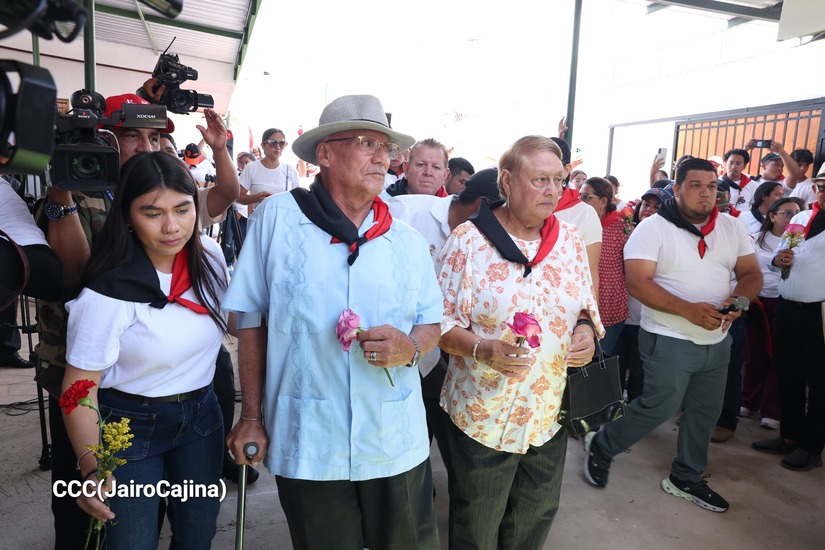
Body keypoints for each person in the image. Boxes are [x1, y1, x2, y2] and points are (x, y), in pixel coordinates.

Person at [223, 94, 442, 549]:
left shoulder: (406, 240)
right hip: (310, 438)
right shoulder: (277, 219)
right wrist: (250, 416)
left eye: (386, 147)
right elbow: (250, 321)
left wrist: (411, 348)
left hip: (392, 438)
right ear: (325, 153)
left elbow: (431, 324)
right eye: (367, 143)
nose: (382, 157)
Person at [36, 92, 239, 549]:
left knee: (198, 533)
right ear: (127, 216)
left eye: (183, 209)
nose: (171, 227)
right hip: (128, 428)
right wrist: (91, 467)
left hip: (200, 419)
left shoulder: (208, 255)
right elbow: (78, 389)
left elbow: (235, 322)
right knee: (131, 540)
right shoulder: (106, 291)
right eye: (152, 213)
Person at [436, 136, 601, 549]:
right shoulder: (468, 242)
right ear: (507, 182)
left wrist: (585, 331)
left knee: (533, 520)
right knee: (476, 525)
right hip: (483, 414)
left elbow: (584, 305)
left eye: (558, 180)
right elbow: (437, 323)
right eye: (540, 179)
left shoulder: (569, 241)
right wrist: (481, 348)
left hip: (547, 413)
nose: (552, 190)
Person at [583, 158, 762, 513]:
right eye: (696, 185)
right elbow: (638, 283)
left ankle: (685, 475)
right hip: (668, 336)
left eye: (712, 186)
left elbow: (750, 273)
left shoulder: (731, 226)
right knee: (660, 405)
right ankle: (603, 443)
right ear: (677, 189)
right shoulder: (654, 229)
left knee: (705, 411)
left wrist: (739, 301)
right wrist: (687, 310)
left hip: (717, 338)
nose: (706, 193)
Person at [385, 168, 502, 475]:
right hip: (396, 347)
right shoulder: (404, 211)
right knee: (408, 430)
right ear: (482, 205)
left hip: (446, 349)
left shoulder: (485, 239)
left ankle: (449, 484)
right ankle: (418, 487)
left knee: (450, 432)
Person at [752, 167, 825, 471]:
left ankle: (812, 446)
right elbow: (780, 256)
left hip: (819, 312)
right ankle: (790, 435)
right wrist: (776, 259)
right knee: (787, 373)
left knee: (819, 381)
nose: (823, 190)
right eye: (821, 185)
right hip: (787, 305)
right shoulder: (801, 217)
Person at [741, 197, 804, 430]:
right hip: (758, 301)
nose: (792, 217)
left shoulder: (803, 241)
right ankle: (749, 401)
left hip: (785, 301)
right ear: (772, 215)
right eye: (787, 212)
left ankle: (772, 410)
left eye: (797, 213)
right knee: (755, 354)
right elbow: (747, 269)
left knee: (780, 357)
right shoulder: (755, 238)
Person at [614, 187, 672, 401]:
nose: (649, 210)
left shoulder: (669, 238)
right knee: (617, 364)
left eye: (657, 207)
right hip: (620, 314)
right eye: (646, 204)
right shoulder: (624, 231)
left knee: (640, 369)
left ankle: (635, 408)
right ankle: (615, 408)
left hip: (648, 318)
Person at [579, 176, 630, 353]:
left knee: (600, 359)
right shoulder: (577, 225)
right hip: (581, 304)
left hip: (610, 307)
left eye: (586, 197)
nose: (581, 201)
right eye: (579, 195)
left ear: (603, 201)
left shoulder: (622, 228)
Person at [236, 127, 300, 212]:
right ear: (263, 145)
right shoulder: (251, 168)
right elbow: (238, 197)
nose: (278, 147)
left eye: (282, 143)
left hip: (285, 218)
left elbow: (298, 198)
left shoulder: (290, 170)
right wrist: (256, 198)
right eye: (273, 143)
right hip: (261, 218)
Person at [384, 138, 450, 197]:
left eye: (436, 167)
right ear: (406, 169)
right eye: (421, 165)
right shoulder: (382, 203)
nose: (428, 172)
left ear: (445, 175)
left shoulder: (452, 206)